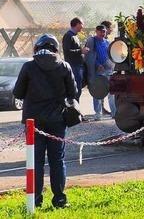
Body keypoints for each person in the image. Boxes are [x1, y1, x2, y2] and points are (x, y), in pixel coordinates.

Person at [12, 34, 77, 209]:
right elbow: (73, 93)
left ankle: (35, 199)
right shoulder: (64, 66)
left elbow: (17, 93)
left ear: (37, 48)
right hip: (57, 121)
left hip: (33, 121)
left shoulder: (28, 67)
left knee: (36, 161)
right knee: (57, 160)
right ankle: (59, 199)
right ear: (56, 49)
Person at [85, 25, 115, 119]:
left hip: (109, 70)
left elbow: (110, 55)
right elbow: (90, 55)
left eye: (104, 31)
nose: (103, 33)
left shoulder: (107, 42)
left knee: (111, 92)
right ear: (96, 31)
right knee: (98, 92)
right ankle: (98, 113)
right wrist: (98, 65)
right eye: (101, 31)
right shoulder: (92, 41)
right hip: (98, 71)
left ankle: (114, 113)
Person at [62, 17, 88, 100]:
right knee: (75, 90)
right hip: (73, 66)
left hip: (78, 66)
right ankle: (73, 110)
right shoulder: (68, 36)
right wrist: (81, 51)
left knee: (78, 90)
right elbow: (67, 52)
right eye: (81, 24)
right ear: (76, 24)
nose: (82, 26)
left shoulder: (75, 36)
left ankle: (76, 110)